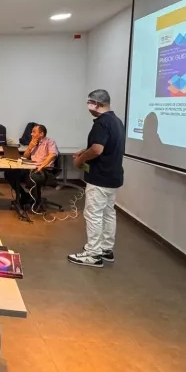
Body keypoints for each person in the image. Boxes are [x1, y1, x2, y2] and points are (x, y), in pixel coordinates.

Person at [68, 89, 125, 268]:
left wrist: (80, 160)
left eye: (90, 103)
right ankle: (106, 249)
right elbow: (105, 146)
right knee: (108, 213)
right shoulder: (116, 121)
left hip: (99, 177)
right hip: (113, 176)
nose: (88, 106)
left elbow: (97, 149)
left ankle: (93, 254)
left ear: (97, 104)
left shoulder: (102, 123)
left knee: (93, 214)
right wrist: (83, 151)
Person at [3, 124, 59, 210]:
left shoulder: (50, 141)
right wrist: (29, 147)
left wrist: (41, 166)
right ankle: (25, 196)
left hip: (45, 170)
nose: (31, 134)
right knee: (9, 174)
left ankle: (35, 202)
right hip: (31, 168)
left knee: (31, 177)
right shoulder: (33, 142)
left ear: (41, 134)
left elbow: (53, 155)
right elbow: (25, 157)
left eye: (34, 132)